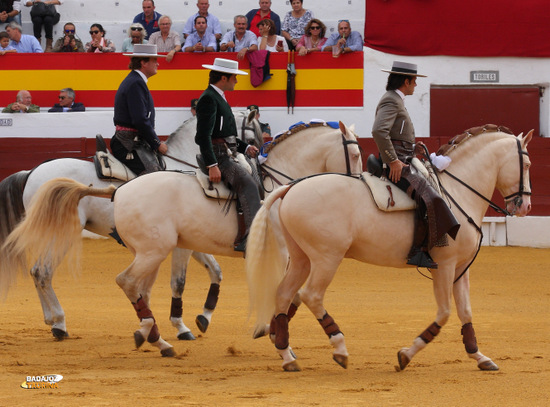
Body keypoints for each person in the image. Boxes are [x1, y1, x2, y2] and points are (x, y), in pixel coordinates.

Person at [371, 61, 460, 269]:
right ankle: (418, 251)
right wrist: (393, 160)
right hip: (395, 164)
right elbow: (378, 131)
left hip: (404, 158)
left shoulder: (395, 100)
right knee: (428, 196)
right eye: (414, 82)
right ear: (406, 81)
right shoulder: (392, 101)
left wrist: (412, 149)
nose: (416, 85)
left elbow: (393, 133)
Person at [195, 58, 260, 252]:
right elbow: (203, 136)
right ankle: (251, 238)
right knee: (248, 183)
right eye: (234, 77)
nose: (236, 81)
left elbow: (225, 135)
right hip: (219, 157)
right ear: (223, 78)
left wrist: (245, 148)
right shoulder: (208, 98)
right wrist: (212, 164)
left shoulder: (218, 96)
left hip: (226, 152)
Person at [110, 44, 168, 175]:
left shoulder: (135, 81)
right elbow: (140, 120)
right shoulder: (136, 83)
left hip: (133, 141)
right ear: (143, 63)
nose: (158, 64)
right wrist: (157, 143)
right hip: (129, 143)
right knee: (154, 176)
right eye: (154, 60)